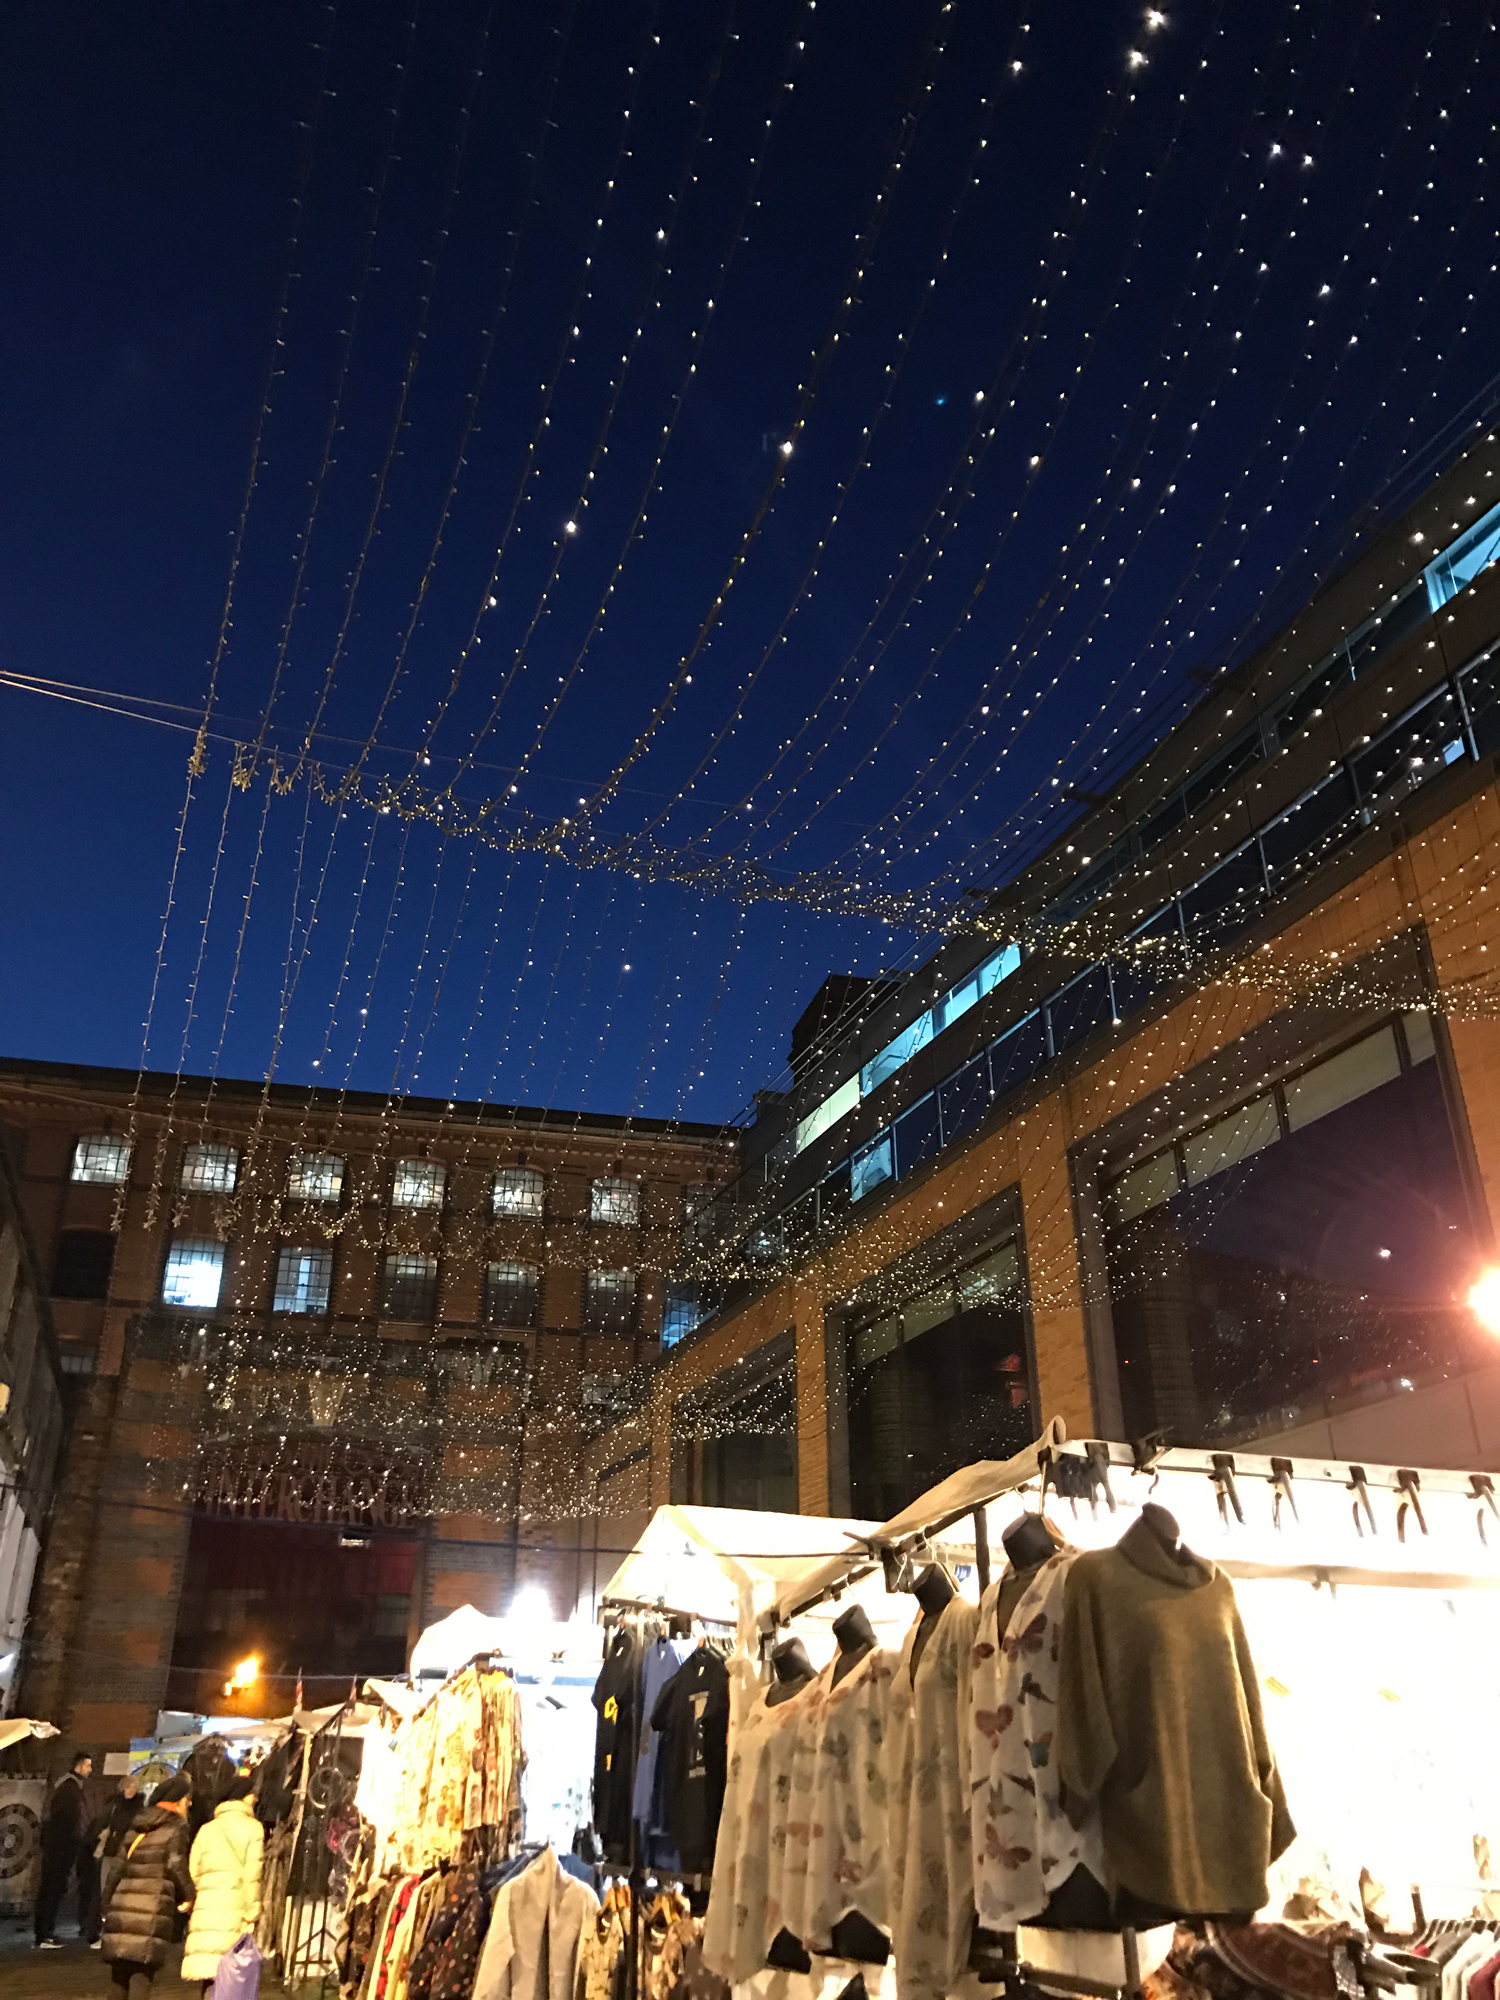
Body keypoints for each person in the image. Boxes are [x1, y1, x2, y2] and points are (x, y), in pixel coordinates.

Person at [99, 1774, 194, 1998]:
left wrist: (106, 1903)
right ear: (179, 1800)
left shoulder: (137, 1825)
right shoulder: (175, 1827)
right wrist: (189, 1894)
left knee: (119, 1976)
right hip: (150, 1908)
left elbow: (117, 1868)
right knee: (142, 1975)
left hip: (123, 1906)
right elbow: (175, 1863)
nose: (189, 1804)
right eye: (187, 1800)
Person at [180, 1774, 263, 1994]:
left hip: (206, 1908)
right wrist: (251, 1913)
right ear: (244, 1797)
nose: (255, 1798)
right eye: (252, 1794)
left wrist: (201, 1895)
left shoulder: (207, 1829)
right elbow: (252, 1875)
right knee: (231, 1973)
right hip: (234, 1908)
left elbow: (193, 1871)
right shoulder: (253, 1829)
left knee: (209, 1973)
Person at [34, 1750, 92, 1949]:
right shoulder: (70, 1789)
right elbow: (68, 1820)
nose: (90, 1770)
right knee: (53, 1888)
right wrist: (75, 1840)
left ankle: (43, 1932)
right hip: (60, 1848)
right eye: (88, 1765)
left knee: (51, 1888)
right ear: (78, 1766)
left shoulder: (66, 1786)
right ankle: (44, 1934)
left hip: (57, 1846)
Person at [91, 1775, 144, 1939]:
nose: (131, 1790)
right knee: (107, 1890)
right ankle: (104, 1928)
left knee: (119, 1892)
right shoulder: (115, 1805)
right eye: (128, 1787)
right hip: (112, 1852)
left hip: (126, 1854)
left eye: (134, 1787)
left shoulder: (136, 1808)